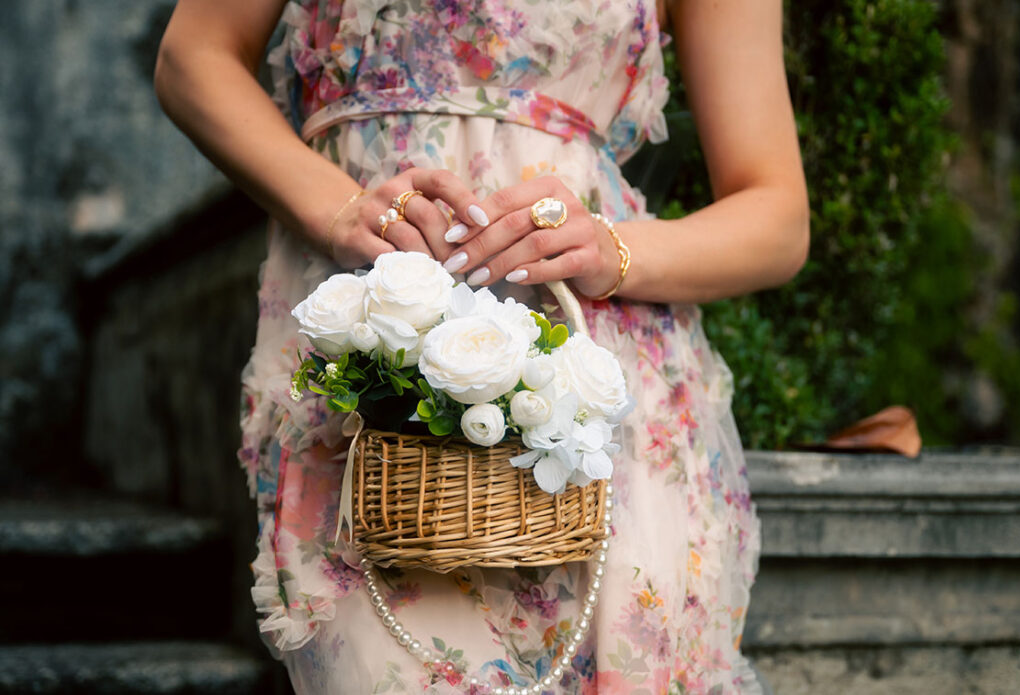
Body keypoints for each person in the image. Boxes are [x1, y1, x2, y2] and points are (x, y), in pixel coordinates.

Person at [155, 0, 807, 692]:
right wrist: (338, 206)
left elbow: (777, 214)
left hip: (596, 394)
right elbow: (194, 56)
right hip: (369, 375)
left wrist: (610, 247)